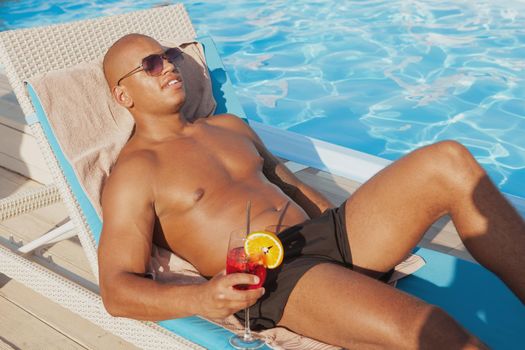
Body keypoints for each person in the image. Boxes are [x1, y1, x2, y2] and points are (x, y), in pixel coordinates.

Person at [98, 33, 525, 349]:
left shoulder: (228, 127)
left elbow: (293, 186)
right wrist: (202, 298)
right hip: (274, 277)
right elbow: (117, 290)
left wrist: (356, 230)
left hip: (326, 234)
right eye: (151, 65)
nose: (170, 66)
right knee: (433, 330)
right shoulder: (135, 173)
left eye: (170, 56)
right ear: (123, 94)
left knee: (447, 161)